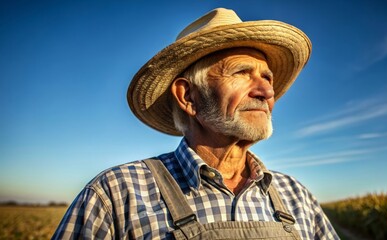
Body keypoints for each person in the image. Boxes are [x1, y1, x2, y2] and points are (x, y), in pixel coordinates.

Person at [53, 8, 339, 240]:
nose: (265, 92)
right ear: (188, 96)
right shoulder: (116, 194)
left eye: (267, 78)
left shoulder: (296, 196)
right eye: (242, 72)